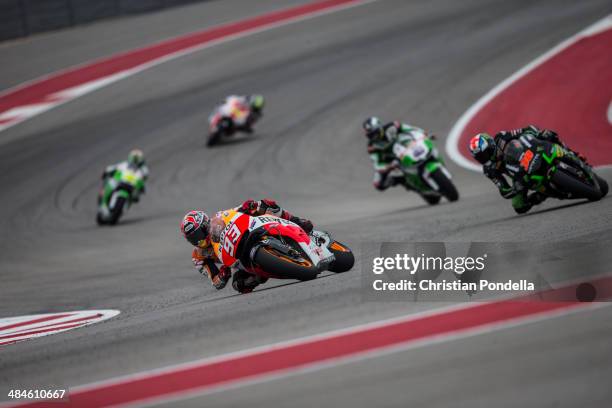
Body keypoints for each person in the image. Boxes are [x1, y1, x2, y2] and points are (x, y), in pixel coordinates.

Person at [180, 199, 313, 294]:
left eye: (199, 234)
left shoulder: (219, 217)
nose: (200, 240)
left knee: (264, 204)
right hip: (239, 261)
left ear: (206, 224)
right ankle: (262, 273)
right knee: (239, 285)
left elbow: (236, 211)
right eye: (194, 239)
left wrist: (247, 206)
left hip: (247, 233)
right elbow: (215, 282)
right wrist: (222, 276)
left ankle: (297, 221)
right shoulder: (198, 257)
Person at [468, 125, 576, 214]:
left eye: (485, 153)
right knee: (518, 206)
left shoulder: (501, 137)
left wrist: (537, 133)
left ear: (491, 145)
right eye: (480, 157)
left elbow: (525, 130)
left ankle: (572, 153)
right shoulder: (488, 170)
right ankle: (543, 195)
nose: (484, 158)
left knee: (549, 135)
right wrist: (515, 189)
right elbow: (503, 190)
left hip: (529, 154)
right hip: (519, 175)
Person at [363, 116, 431, 190]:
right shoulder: (371, 146)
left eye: (375, 132)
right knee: (378, 184)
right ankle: (399, 180)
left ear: (380, 127)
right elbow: (377, 164)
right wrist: (388, 167)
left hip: (405, 147)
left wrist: (424, 133)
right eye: (371, 135)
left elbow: (410, 128)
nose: (374, 136)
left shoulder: (393, 126)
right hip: (391, 160)